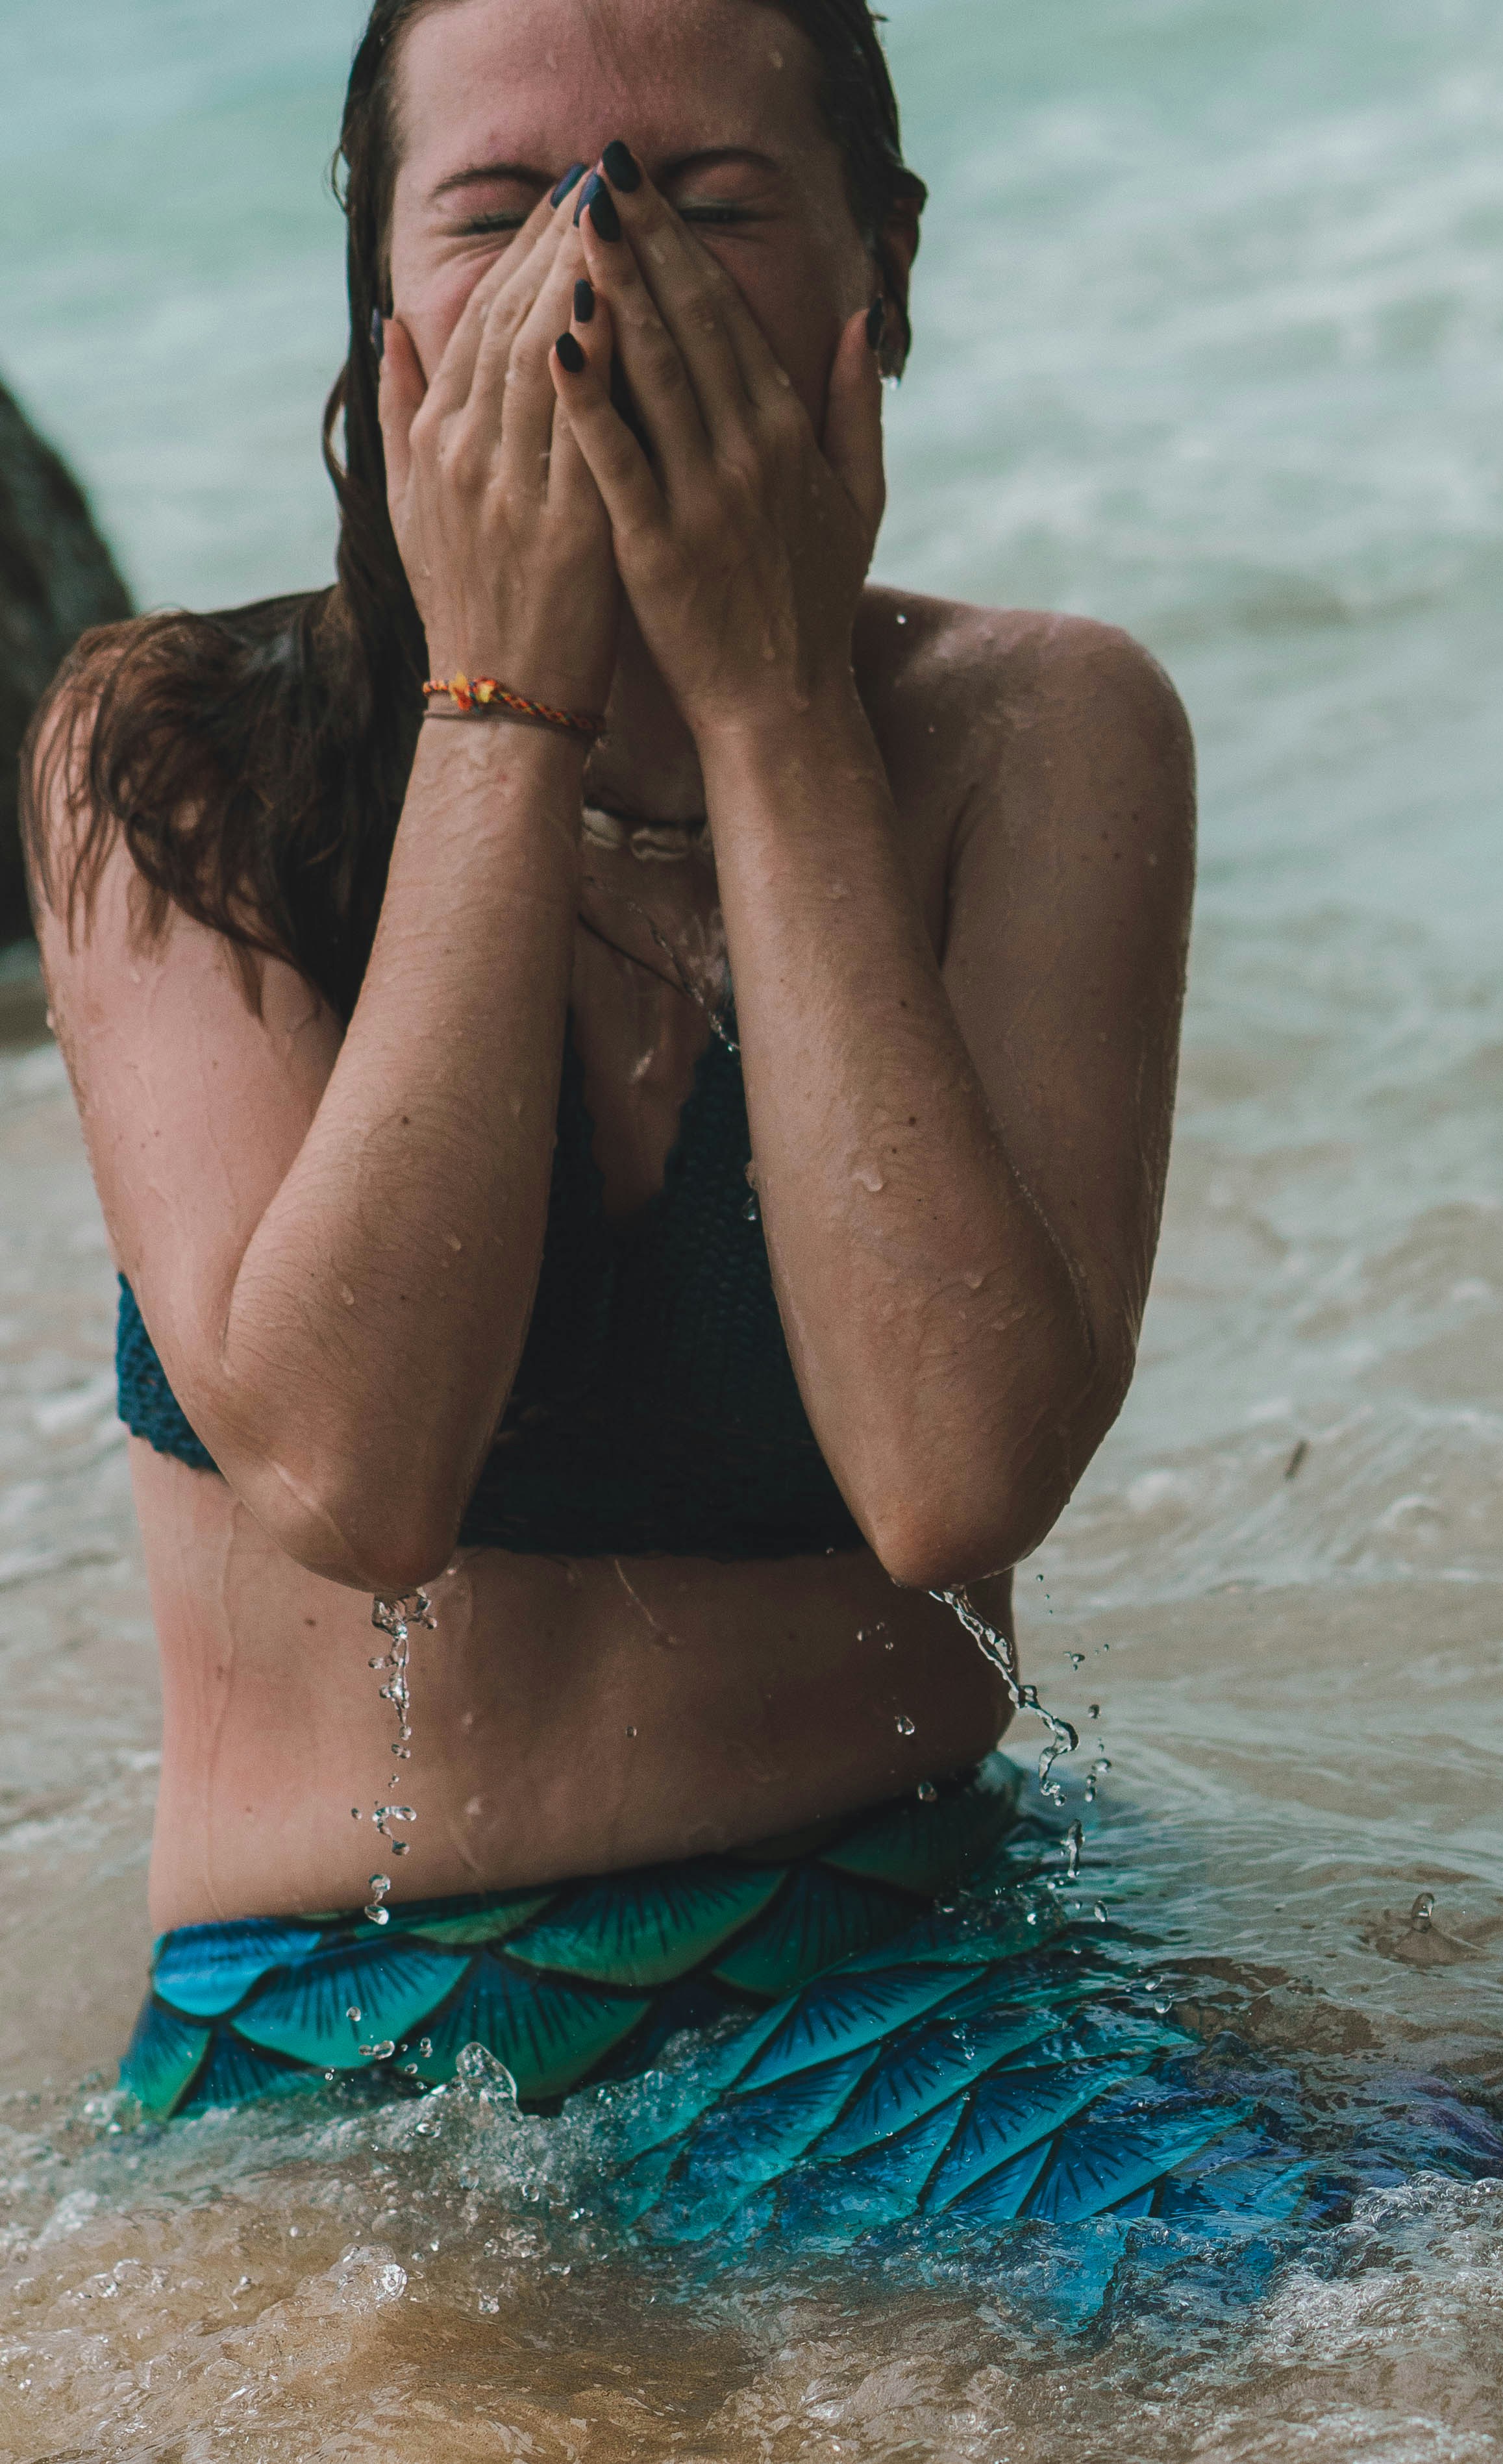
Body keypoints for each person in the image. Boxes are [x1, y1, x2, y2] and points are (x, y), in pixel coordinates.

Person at [25, 0, 1247, 2241]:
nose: (595, 284)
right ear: (382, 312)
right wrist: (504, 697)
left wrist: (774, 710)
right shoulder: (166, 756)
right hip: (337, 2045)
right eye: (497, 212)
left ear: (877, 275)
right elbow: (352, 1477)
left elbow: (959, 1468)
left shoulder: (1033, 733)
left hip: (927, 1953)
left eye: (705, 206)